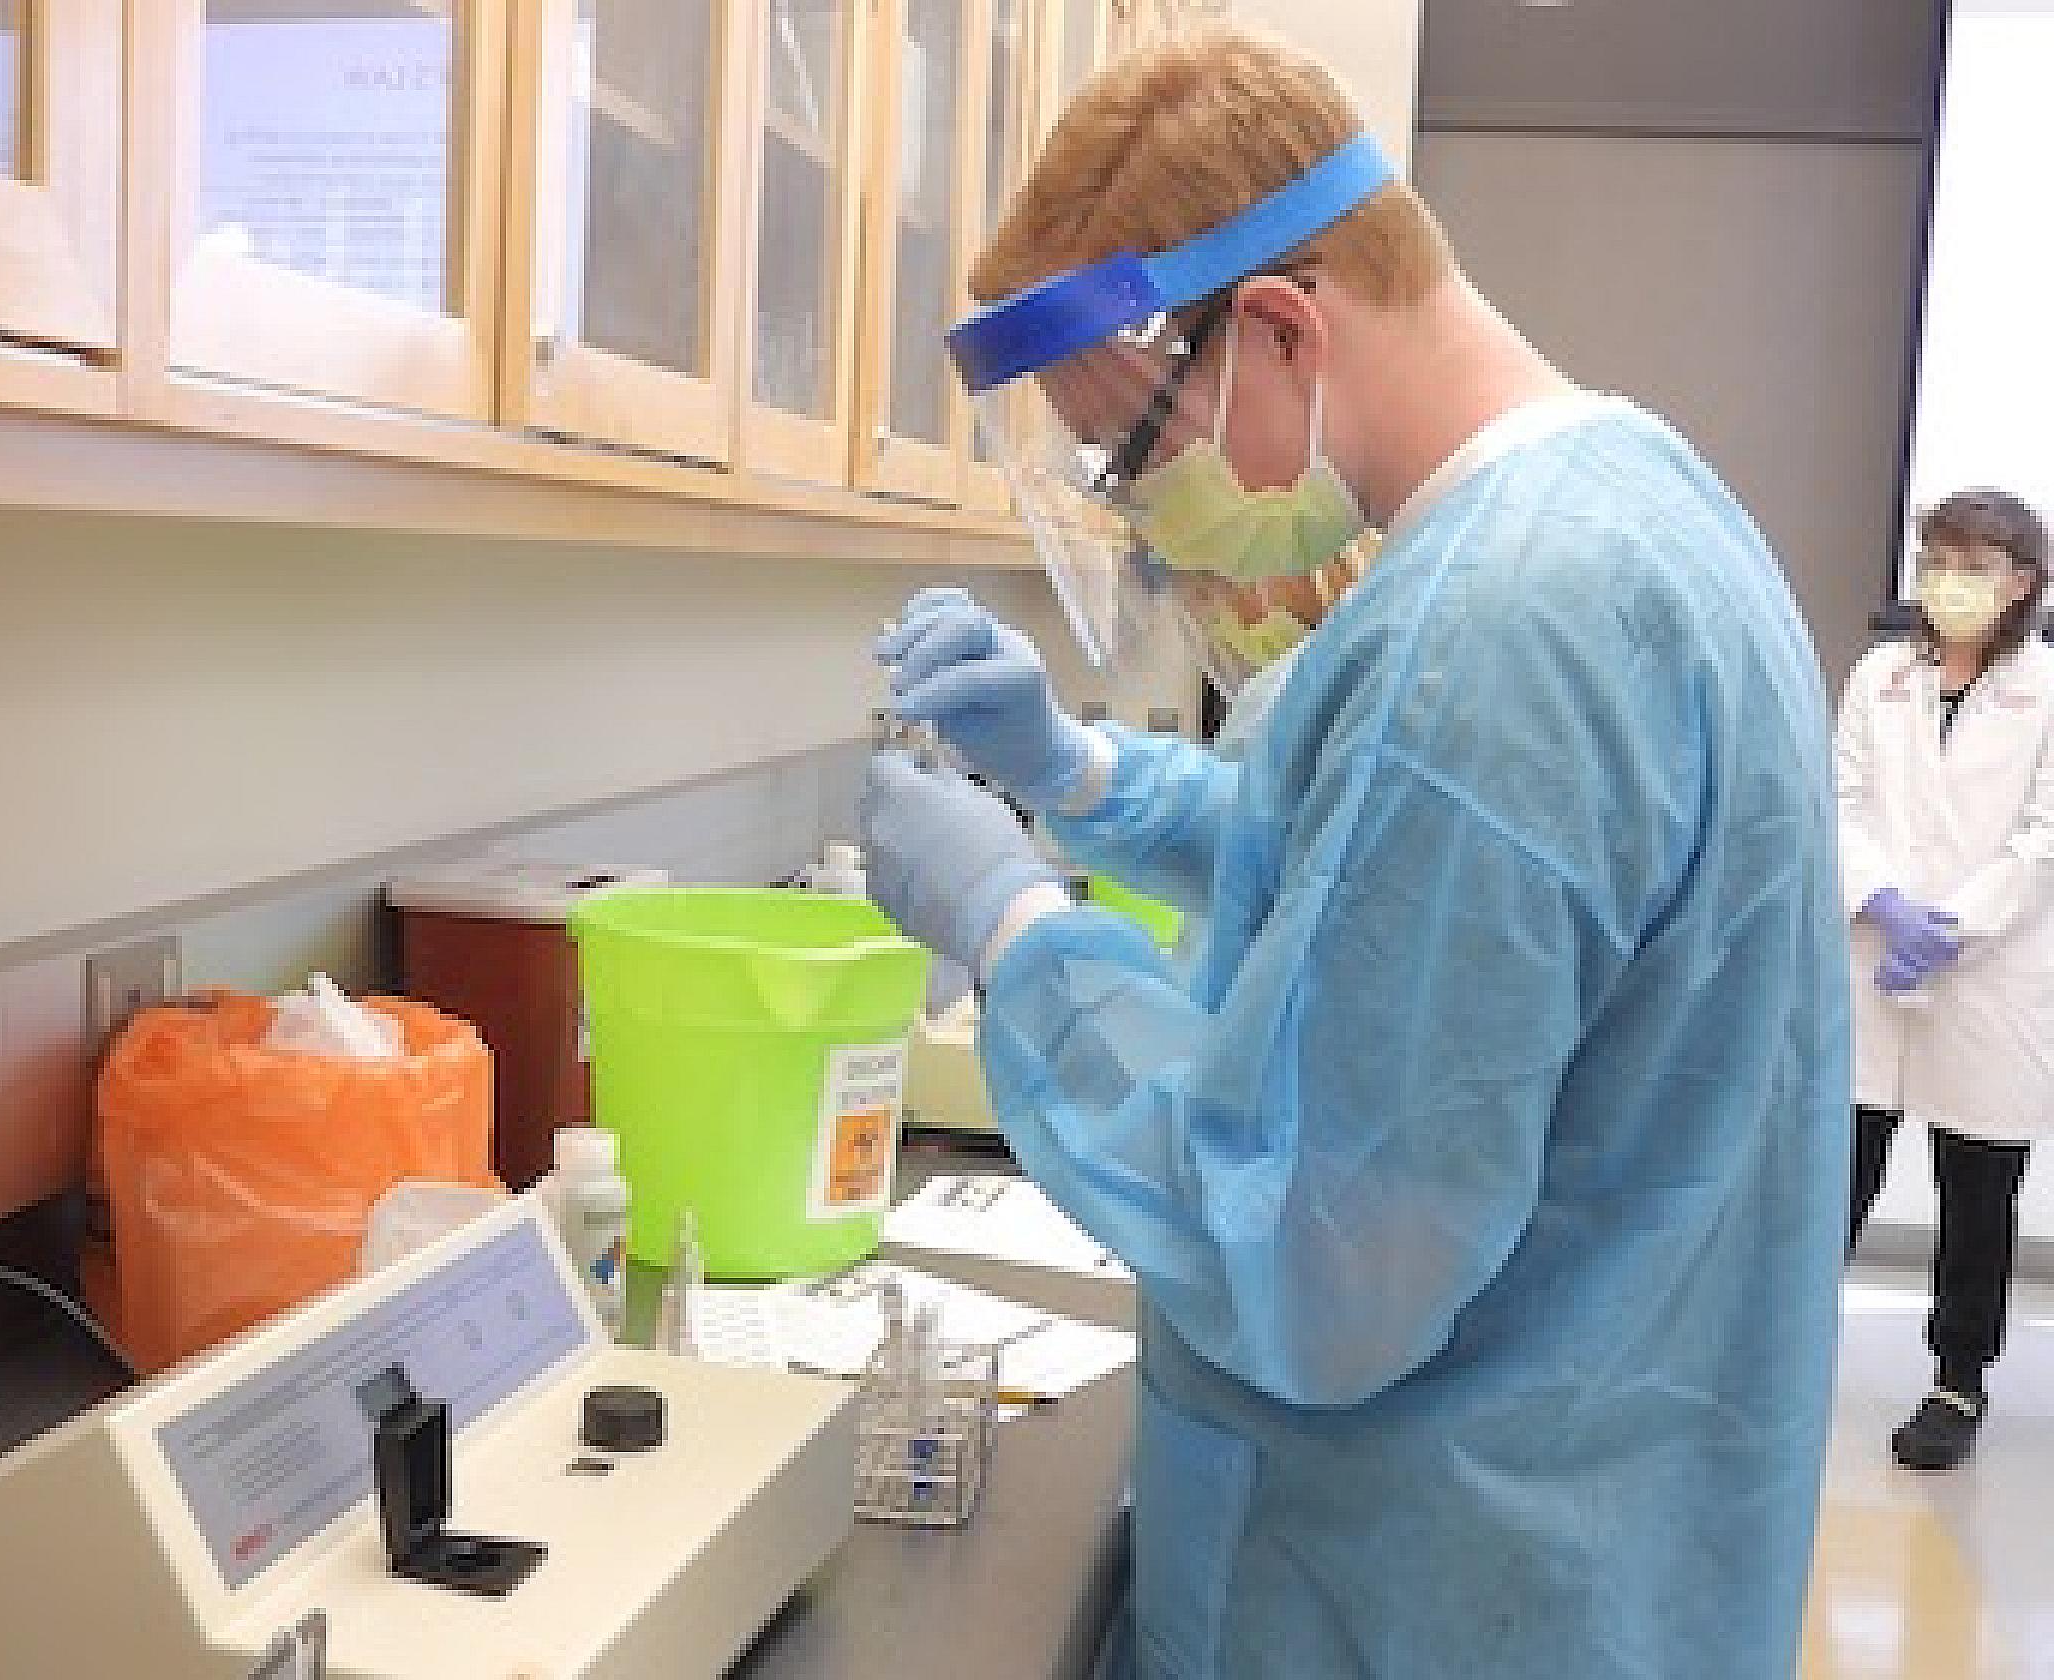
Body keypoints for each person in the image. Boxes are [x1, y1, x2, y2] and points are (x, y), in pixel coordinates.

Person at [857, 29, 1850, 1680]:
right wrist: (1081, 774)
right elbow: (1371, 875)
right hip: (1599, 1541)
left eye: (1129, 453)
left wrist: (1013, 923)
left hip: (1443, 1585)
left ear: (1278, 327)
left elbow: (1320, 1260)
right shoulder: (1624, 518)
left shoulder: (1500, 629)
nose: (1135, 515)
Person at [1840, 488, 2054, 1472]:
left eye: (1972, 567)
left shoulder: (2046, 690)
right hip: (1874, 953)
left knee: (1979, 1191)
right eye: (1936, 560)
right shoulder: (1880, 674)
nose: (1946, 583)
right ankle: (1788, 1355)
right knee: (1837, 1172)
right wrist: (1884, 904)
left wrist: (1956, 927)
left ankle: (1957, 1376)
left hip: (1994, 975)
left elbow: (2043, 841)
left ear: (2020, 584)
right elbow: (1836, 799)